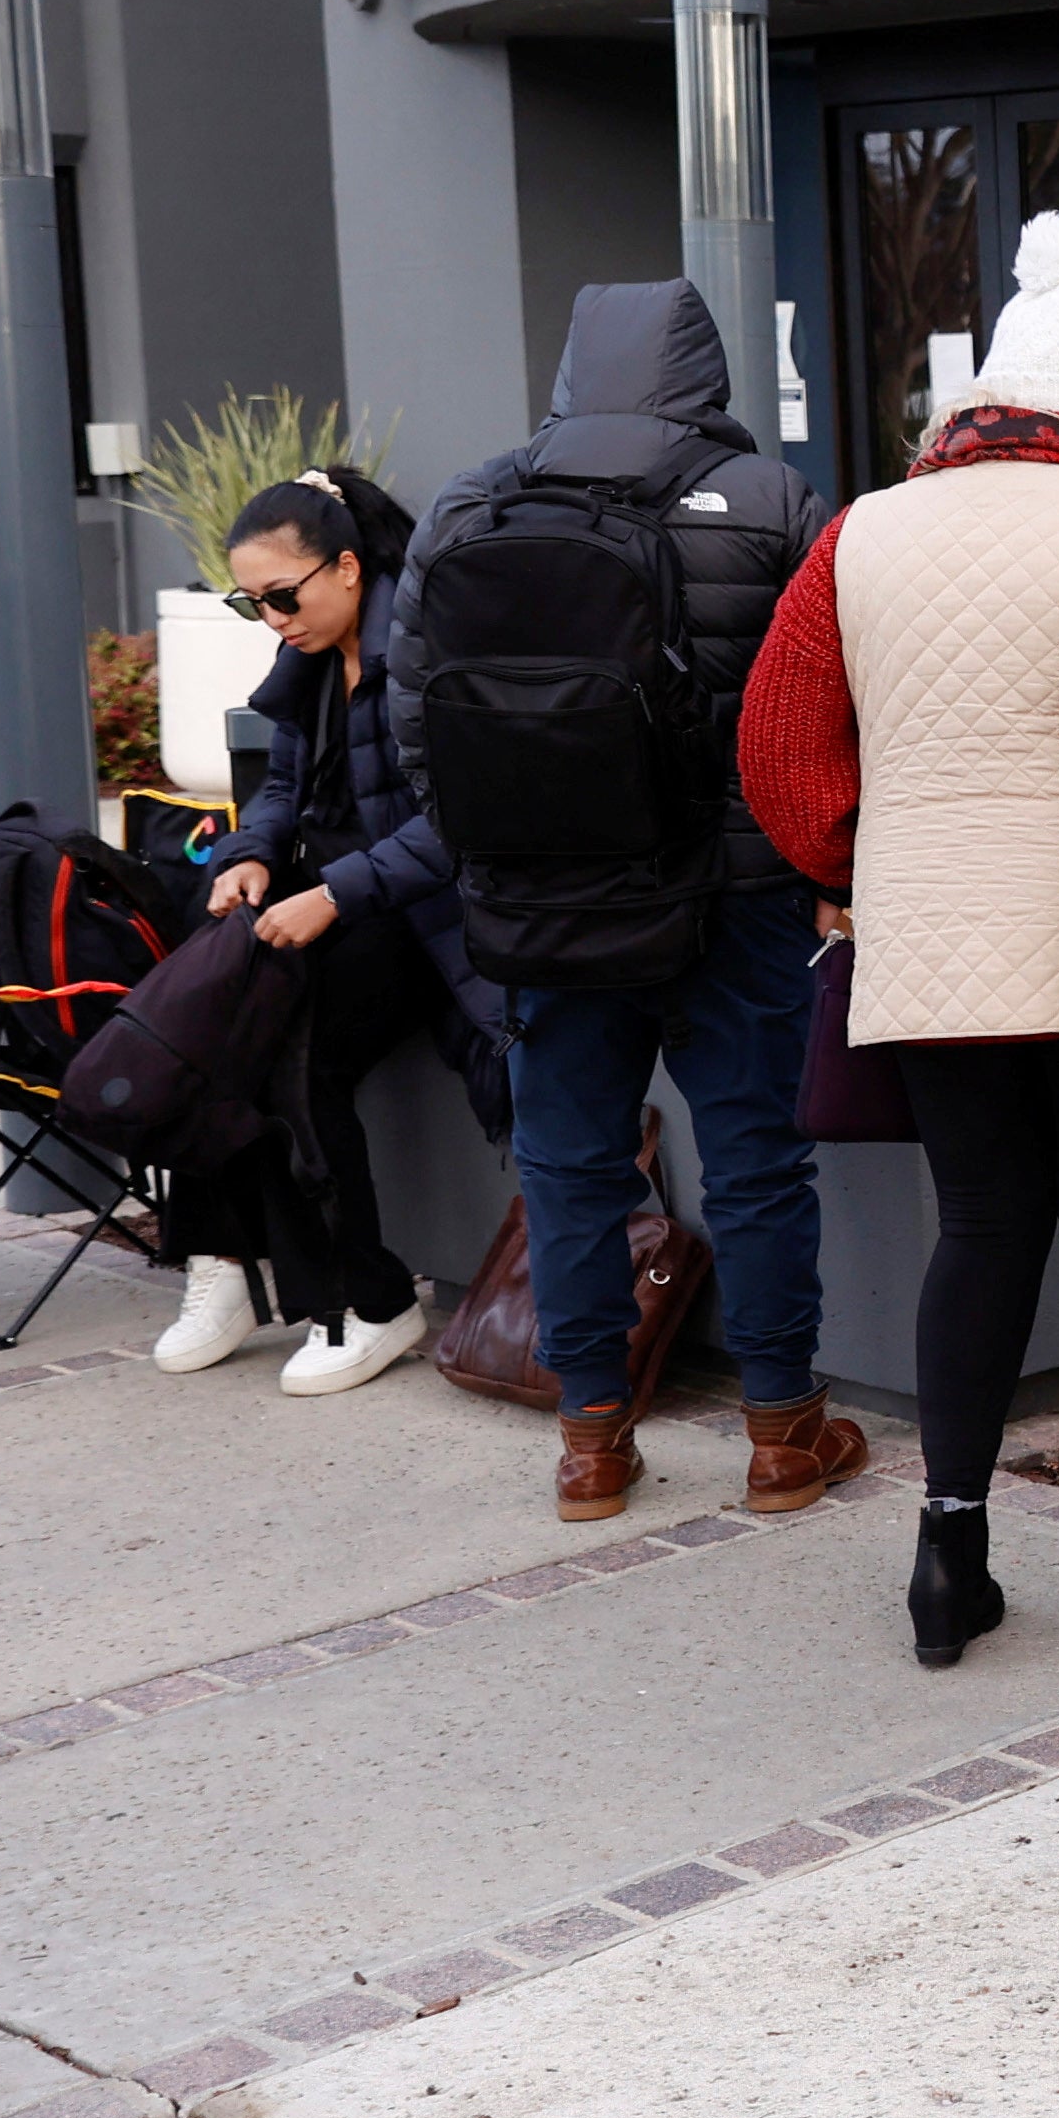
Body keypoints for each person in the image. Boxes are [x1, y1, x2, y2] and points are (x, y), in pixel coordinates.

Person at [742, 216, 1059, 1665]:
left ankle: (948, 1553)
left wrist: (873, 860)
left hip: (927, 944)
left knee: (979, 1227)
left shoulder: (858, 530)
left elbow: (779, 753)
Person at [401, 282, 837, 1522]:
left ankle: (592, 1439)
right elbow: (826, 696)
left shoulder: (474, 500)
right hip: (734, 898)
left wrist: (493, 850)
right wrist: (813, 864)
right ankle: (782, 1436)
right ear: (704, 374)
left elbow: (413, 704)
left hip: (543, 901)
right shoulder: (772, 502)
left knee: (572, 1167)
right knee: (756, 1158)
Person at [178, 468, 495, 1393]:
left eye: (284, 595)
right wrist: (249, 854)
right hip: (345, 898)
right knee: (203, 1008)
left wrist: (332, 895)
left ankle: (372, 1300)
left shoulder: (430, 647)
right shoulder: (309, 658)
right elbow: (282, 785)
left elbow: (460, 825)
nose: (273, 618)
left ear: (349, 567)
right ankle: (225, 1258)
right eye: (252, 603)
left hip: (432, 914)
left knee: (293, 1051)